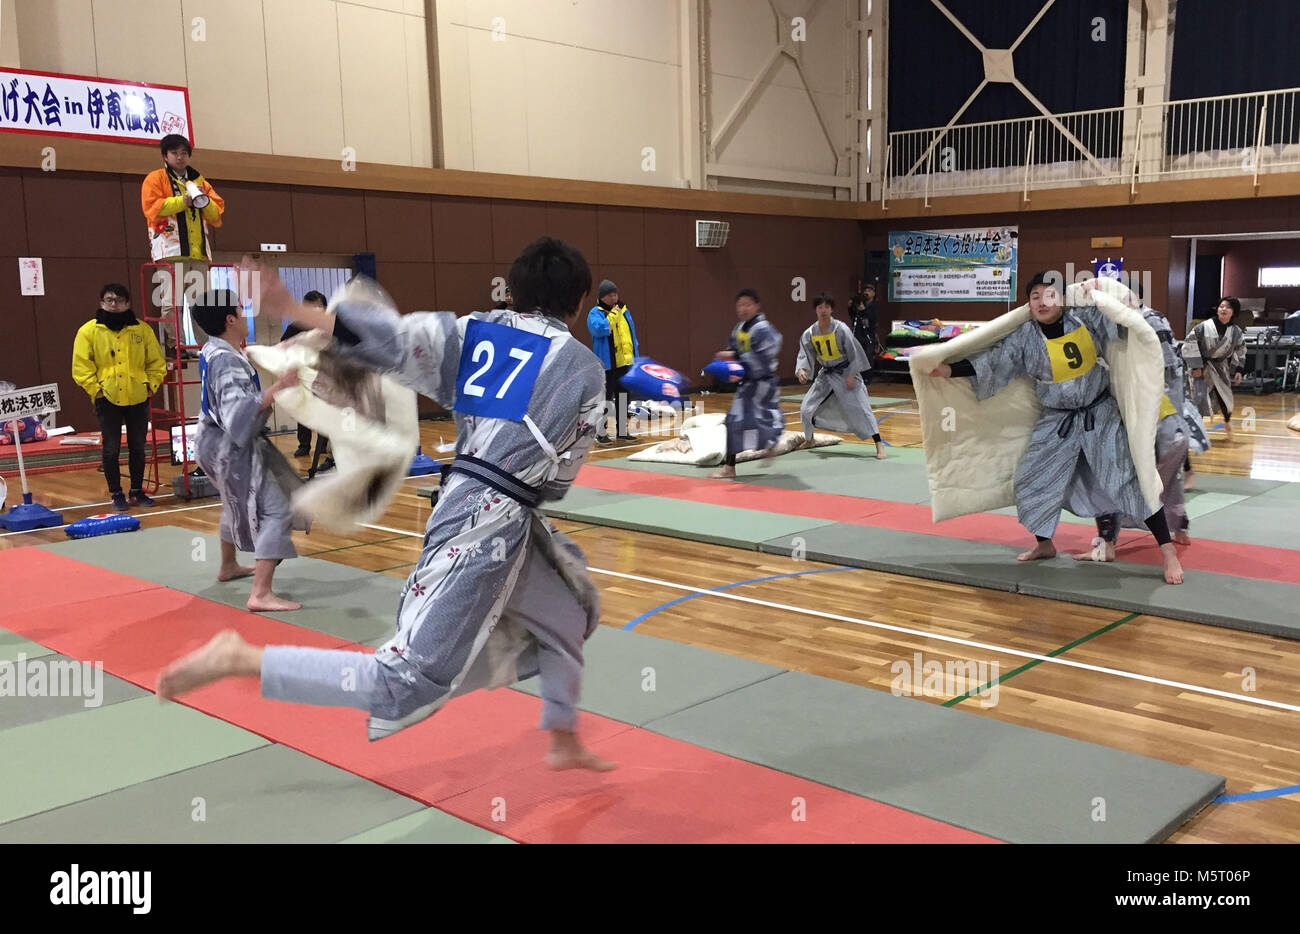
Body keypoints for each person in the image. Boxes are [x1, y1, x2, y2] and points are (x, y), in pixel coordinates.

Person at [157, 238, 616, 772]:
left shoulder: (476, 330)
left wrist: (287, 307)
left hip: (481, 501)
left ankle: (562, 735)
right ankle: (241, 659)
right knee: (405, 681)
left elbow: (389, 337)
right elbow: (560, 472)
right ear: (579, 299)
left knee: (570, 608)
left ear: (511, 294)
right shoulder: (582, 368)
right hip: (486, 522)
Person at [929, 272, 1184, 585]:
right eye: (1034, 296)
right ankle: (1044, 544)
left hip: (1098, 413)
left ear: (1062, 299)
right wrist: (949, 369)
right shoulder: (1025, 335)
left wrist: (1101, 293)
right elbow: (995, 361)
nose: (1041, 302)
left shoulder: (1086, 319)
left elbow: (1123, 320)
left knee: (1129, 477)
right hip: (1056, 417)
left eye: (1049, 295)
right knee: (1031, 477)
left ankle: (1167, 550)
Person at [191, 289, 304, 612]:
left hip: (211, 444)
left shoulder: (216, 349)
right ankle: (261, 593)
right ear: (230, 319)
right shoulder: (226, 360)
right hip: (228, 446)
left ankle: (228, 566)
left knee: (234, 501)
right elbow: (236, 413)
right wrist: (277, 388)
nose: (246, 314)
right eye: (241, 309)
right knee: (276, 509)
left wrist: (277, 354)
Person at [71, 284, 167, 511]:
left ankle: (137, 491)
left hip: (138, 396)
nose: (114, 304)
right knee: (111, 448)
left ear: (128, 303)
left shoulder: (142, 330)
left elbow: (156, 363)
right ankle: (116, 494)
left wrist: (151, 385)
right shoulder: (88, 331)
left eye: (119, 300)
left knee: (137, 447)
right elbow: (81, 367)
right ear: (101, 302)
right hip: (108, 398)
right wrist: (97, 390)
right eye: (109, 300)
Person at [795, 292, 885, 459]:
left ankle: (879, 444)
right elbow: (805, 353)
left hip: (846, 372)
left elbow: (854, 353)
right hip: (826, 374)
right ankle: (809, 439)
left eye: (826, 307)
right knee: (806, 408)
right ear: (815, 309)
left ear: (832, 309)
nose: (823, 310)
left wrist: (851, 375)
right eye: (820, 307)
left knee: (862, 407)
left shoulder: (841, 329)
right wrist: (802, 370)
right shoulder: (810, 332)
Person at [709, 289, 783, 480]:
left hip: (763, 385)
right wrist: (728, 362)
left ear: (757, 305)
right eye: (740, 304)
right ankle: (730, 467)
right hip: (747, 384)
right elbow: (733, 349)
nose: (743, 308)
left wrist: (735, 357)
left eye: (748, 304)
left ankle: (771, 441)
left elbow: (766, 354)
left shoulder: (763, 328)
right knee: (734, 421)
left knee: (761, 419)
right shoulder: (739, 328)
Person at [1185, 296, 1246, 441]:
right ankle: (1193, 429)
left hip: (1220, 367)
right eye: (1221, 306)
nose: (1224, 309)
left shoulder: (1236, 331)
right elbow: (1189, 344)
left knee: (1225, 398)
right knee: (1198, 397)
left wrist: (1238, 370)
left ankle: (1227, 423)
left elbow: (1241, 349)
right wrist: (1196, 366)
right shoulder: (1203, 327)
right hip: (1202, 367)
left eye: (1228, 307)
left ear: (1234, 312)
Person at [586, 279, 639, 443]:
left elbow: (631, 335)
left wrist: (634, 358)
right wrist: (614, 315)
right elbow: (600, 329)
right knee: (606, 399)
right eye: (610, 294)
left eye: (615, 293)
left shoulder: (625, 311)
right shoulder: (595, 313)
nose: (614, 297)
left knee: (624, 398)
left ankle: (622, 431)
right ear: (602, 297)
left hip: (624, 363)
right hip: (607, 365)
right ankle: (601, 433)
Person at [281, 291, 330, 459]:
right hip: (303, 374)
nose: (316, 310)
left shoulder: (330, 326)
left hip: (325, 375)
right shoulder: (296, 327)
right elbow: (283, 346)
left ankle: (324, 445)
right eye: (312, 307)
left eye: (319, 306)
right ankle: (304, 444)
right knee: (303, 410)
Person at [848, 284, 880, 381]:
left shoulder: (875, 305)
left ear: (873, 294)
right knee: (857, 354)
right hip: (858, 333)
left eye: (869, 291)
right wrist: (850, 307)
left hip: (868, 334)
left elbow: (872, 318)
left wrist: (863, 310)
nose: (866, 292)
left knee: (868, 355)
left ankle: (868, 377)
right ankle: (859, 375)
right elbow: (853, 316)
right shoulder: (861, 303)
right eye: (865, 290)